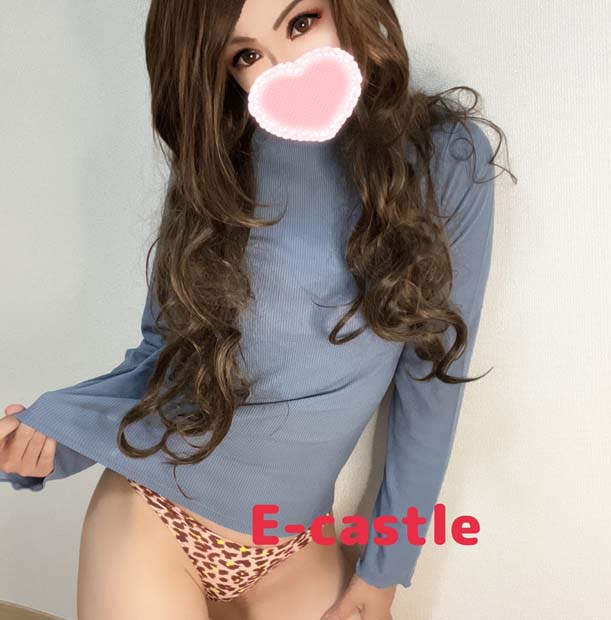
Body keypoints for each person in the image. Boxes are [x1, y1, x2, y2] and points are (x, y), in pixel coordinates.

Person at [0, 0, 513, 618]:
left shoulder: (444, 157)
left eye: (301, 22)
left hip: (297, 543)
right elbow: (164, 353)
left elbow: (432, 385)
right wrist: (59, 441)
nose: (287, 66)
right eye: (246, 55)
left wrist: (385, 572)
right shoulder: (218, 163)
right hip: (156, 515)